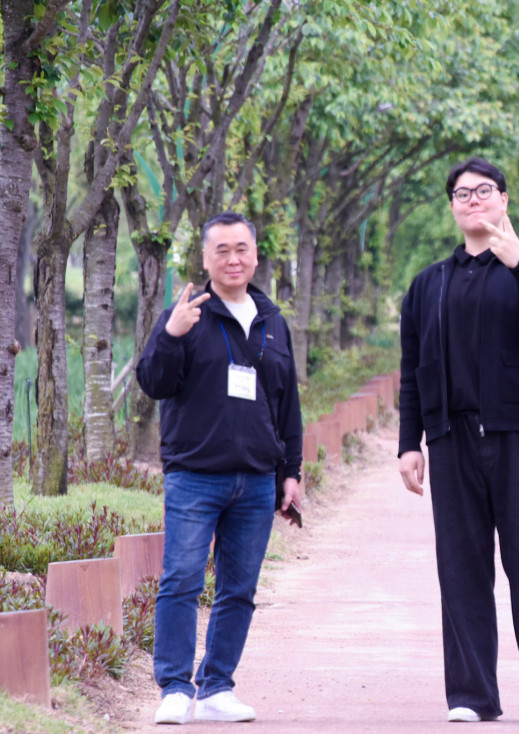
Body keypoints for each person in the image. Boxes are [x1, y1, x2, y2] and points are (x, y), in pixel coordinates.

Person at [397, 157, 519, 725]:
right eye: (462, 193)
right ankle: (471, 695)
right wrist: (410, 443)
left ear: (504, 200)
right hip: (451, 441)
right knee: (460, 567)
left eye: (484, 191)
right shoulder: (430, 283)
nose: (473, 200)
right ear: (452, 207)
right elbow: (412, 370)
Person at [137, 211, 303, 725]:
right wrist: (170, 335)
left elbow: (287, 403)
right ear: (206, 259)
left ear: (255, 255)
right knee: (182, 580)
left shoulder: (272, 320)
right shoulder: (186, 314)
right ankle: (173, 687)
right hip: (195, 475)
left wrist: (291, 472)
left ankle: (216, 687)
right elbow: (153, 383)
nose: (233, 259)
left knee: (239, 589)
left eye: (241, 249)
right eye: (222, 250)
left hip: (256, 479)